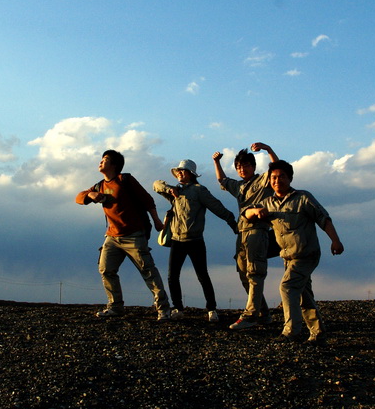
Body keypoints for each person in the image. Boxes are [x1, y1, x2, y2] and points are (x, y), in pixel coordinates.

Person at [244, 160, 344, 345]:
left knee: (287, 287)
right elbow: (246, 214)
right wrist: (257, 212)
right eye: (273, 177)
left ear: (290, 178)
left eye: (282, 176)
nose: (277, 180)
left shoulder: (303, 198)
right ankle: (318, 334)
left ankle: (291, 332)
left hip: (306, 254)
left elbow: (323, 218)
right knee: (303, 295)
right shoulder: (268, 203)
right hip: (288, 257)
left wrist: (335, 240)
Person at [76, 150, 172, 320]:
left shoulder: (125, 180)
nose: (100, 162)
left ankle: (163, 309)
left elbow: (147, 199)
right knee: (106, 270)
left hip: (134, 235)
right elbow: (78, 197)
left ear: (114, 165)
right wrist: (90, 194)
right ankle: (115, 307)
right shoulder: (99, 185)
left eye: (105, 160)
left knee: (147, 270)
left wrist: (157, 221)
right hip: (112, 237)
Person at [153, 159, 238, 322]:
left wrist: (232, 222)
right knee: (173, 276)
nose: (179, 173)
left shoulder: (200, 191)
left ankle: (212, 310)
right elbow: (155, 185)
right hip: (177, 241)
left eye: (182, 171)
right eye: (178, 171)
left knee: (202, 276)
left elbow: (217, 206)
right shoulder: (174, 192)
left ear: (191, 174)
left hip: (195, 241)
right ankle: (178, 308)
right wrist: (169, 189)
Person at [212, 142, 279, 331]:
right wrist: (216, 162)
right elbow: (222, 180)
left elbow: (276, 168)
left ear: (253, 166)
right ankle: (264, 314)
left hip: (258, 230)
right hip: (241, 233)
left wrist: (268, 149)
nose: (242, 169)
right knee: (243, 274)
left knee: (255, 272)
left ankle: (250, 315)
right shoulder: (239, 186)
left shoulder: (263, 181)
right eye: (238, 167)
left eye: (246, 165)